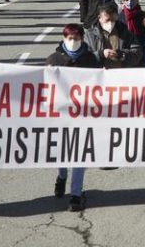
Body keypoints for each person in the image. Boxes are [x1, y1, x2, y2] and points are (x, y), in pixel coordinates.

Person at [47, 23, 99, 212]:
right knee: (62, 154)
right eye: (70, 38)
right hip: (61, 114)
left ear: (82, 40)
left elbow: (100, 84)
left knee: (79, 154)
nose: (73, 42)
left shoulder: (91, 59)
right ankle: (61, 176)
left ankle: (76, 194)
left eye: (76, 39)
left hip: (83, 114)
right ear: (64, 39)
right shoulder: (54, 58)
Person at [85, 3, 142, 69]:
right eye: (107, 20)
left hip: (120, 74)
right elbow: (85, 57)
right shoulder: (90, 35)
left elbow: (137, 53)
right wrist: (101, 54)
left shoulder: (125, 32)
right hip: (99, 75)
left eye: (113, 20)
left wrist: (124, 55)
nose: (110, 23)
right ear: (99, 18)